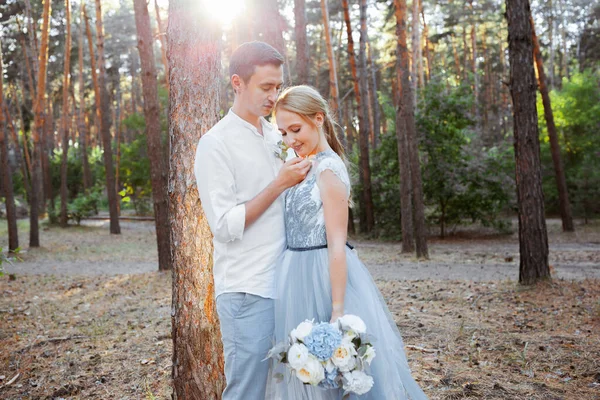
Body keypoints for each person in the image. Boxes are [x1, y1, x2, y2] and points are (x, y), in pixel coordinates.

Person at [270, 85, 429, 399]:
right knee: (303, 373)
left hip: (322, 275)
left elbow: (337, 243)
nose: (290, 140)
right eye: (283, 133)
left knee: (333, 373)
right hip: (292, 274)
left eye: (296, 129)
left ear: (318, 119)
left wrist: (338, 308)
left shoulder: (328, 170)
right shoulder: (298, 163)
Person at [194, 42, 311, 400]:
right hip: (248, 289)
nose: (274, 96)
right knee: (247, 391)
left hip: (289, 283)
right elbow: (225, 225)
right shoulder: (215, 144)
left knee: (285, 389)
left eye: (277, 87)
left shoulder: (278, 136)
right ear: (237, 83)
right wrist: (278, 184)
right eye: (265, 87)